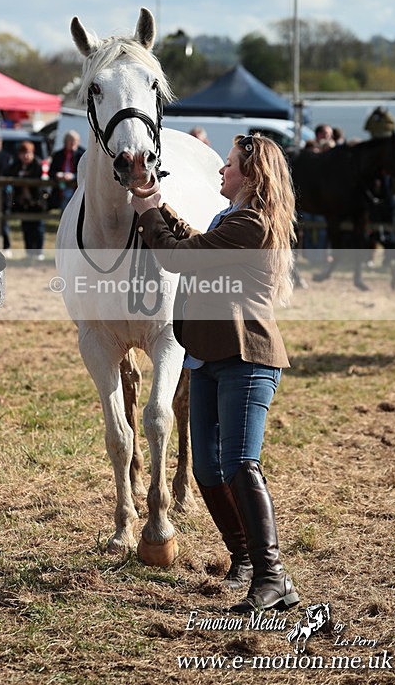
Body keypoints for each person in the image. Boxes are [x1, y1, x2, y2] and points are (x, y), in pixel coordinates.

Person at [130, 133, 300, 613]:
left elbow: (179, 255)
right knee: (206, 466)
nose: (221, 172)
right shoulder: (230, 219)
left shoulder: (253, 223)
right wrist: (155, 201)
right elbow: (194, 239)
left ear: (251, 175)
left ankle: (274, 577)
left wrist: (145, 213)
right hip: (207, 358)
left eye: (228, 166)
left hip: (247, 358)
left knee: (241, 464)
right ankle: (243, 557)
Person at [5, 141, 46, 261]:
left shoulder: (38, 165)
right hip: (22, 202)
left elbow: (41, 183)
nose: (26, 156)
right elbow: (8, 174)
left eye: (28, 153)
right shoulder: (16, 165)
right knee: (26, 227)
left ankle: (39, 253)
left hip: (37, 202)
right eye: (23, 153)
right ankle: (28, 252)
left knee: (38, 227)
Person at [48, 130, 85, 211]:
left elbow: (85, 173)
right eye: (70, 141)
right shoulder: (58, 155)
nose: (73, 143)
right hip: (61, 190)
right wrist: (57, 175)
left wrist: (73, 176)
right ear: (65, 142)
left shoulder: (82, 155)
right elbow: (51, 172)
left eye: (75, 141)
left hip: (77, 190)